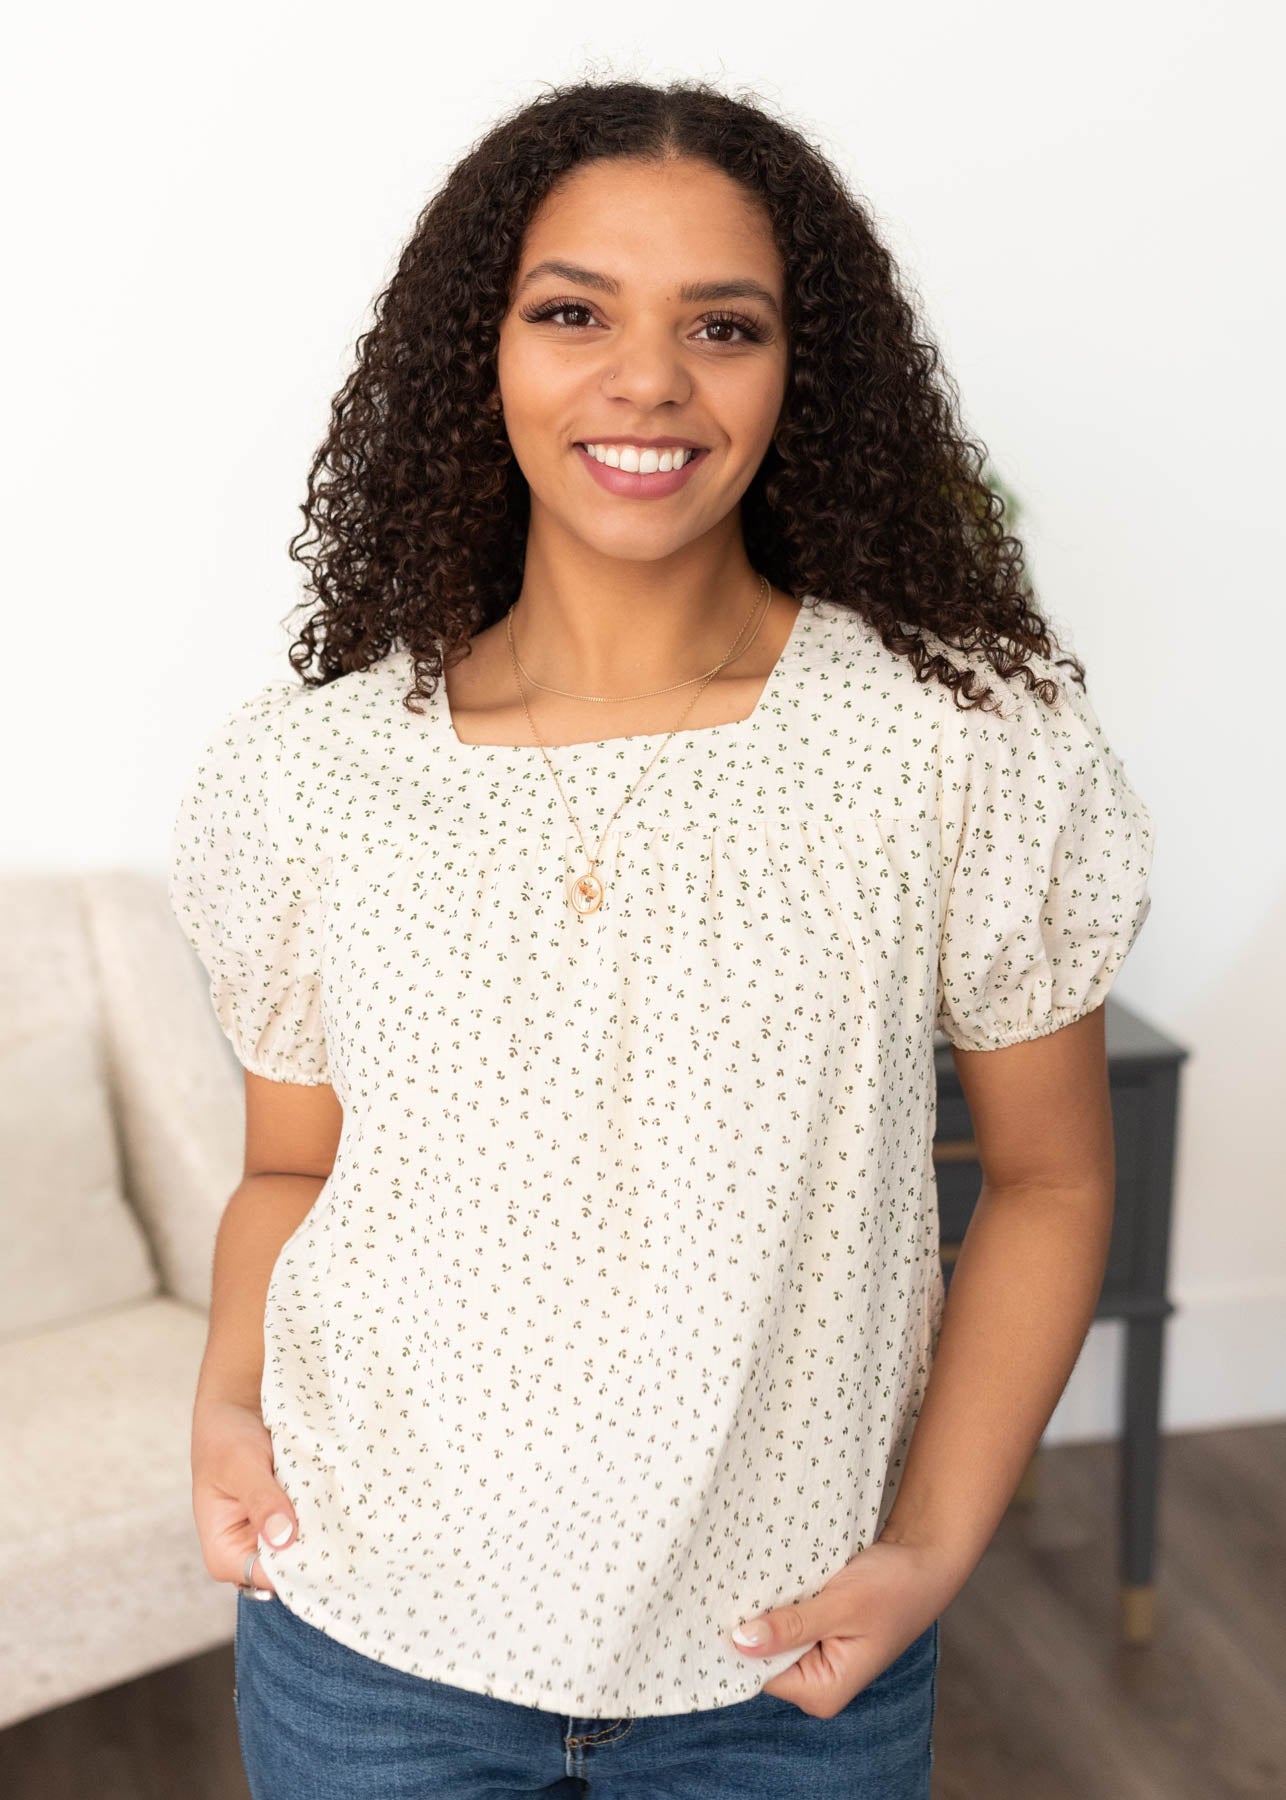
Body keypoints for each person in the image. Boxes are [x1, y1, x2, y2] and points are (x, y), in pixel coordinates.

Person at [168, 75, 1156, 1800]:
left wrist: (928, 1549)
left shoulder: (956, 741)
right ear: (479, 353)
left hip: (782, 1671)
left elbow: (1054, 1179)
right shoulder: (310, 766)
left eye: (723, 325)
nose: (646, 381)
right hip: (368, 1647)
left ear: (802, 375)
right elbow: (288, 1178)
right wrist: (226, 1406)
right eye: (573, 314)